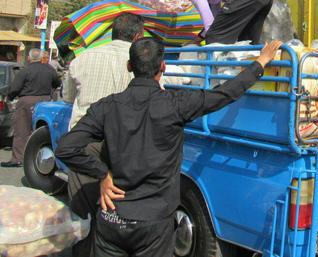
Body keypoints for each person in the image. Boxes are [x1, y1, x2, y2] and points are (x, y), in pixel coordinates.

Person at [55, 38, 281, 257]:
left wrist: (102, 174)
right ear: (163, 66)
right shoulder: (176, 104)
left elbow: (66, 148)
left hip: (112, 219)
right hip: (154, 223)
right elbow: (224, 94)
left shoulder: (107, 106)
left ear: (129, 66)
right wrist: (260, 62)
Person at [64, 13, 145, 257]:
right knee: (117, 212)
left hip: (82, 145)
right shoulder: (141, 63)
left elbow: (69, 98)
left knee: (82, 212)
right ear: (138, 36)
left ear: (112, 32)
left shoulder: (81, 59)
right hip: (123, 146)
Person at [1, 48, 61, 167]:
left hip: (27, 101)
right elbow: (57, 83)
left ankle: (18, 159)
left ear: (29, 58)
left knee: (22, 130)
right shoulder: (49, 69)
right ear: (40, 58)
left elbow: (15, 88)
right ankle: (38, 157)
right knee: (42, 130)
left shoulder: (25, 70)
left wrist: (11, 97)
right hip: (45, 101)